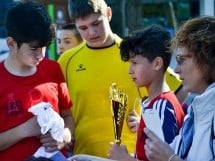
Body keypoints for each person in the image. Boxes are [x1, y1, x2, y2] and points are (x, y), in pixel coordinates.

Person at [58, 0, 184, 157]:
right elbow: (61, 110)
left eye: (96, 23)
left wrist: (146, 122)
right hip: (84, 154)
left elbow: (180, 90)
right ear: (74, 25)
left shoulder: (135, 52)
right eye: (83, 28)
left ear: (109, 14)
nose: (91, 32)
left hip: (130, 155)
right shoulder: (66, 61)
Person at [0, 1, 74, 161]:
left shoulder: (53, 69)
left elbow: (67, 116)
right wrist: (25, 130)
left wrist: (64, 137)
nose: (41, 55)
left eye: (45, 47)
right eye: (33, 48)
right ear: (12, 43)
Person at [107, 25, 185, 161]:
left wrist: (124, 158)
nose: (130, 71)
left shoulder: (161, 106)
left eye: (135, 63)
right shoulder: (159, 102)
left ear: (157, 64)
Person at [143, 16, 215, 161]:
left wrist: (170, 158)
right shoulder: (195, 112)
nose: (176, 70)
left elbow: (170, 156)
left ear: (207, 59)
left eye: (181, 61)